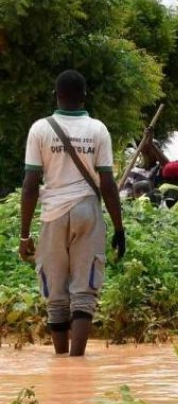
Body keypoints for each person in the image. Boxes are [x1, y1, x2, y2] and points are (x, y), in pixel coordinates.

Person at [18, 70, 126, 357]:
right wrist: (119, 228)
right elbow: (108, 184)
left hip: (52, 213)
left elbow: (30, 185)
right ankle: (77, 361)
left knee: (55, 292)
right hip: (88, 211)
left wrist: (25, 235)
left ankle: (61, 363)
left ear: (56, 95)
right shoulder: (98, 129)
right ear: (84, 96)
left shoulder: (39, 129)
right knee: (84, 290)